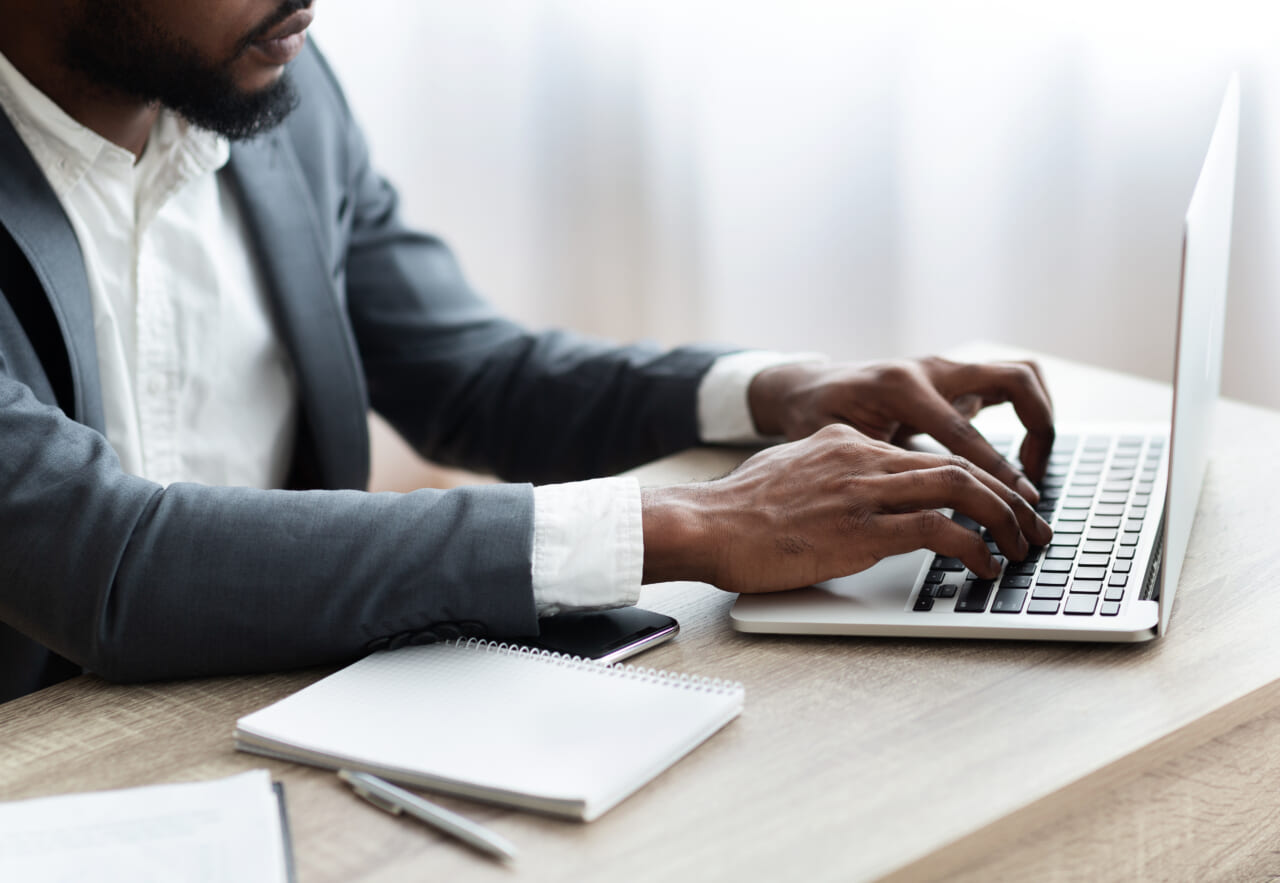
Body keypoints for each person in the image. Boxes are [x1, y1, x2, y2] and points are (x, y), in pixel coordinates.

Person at [0, 0, 1054, 704]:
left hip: (284, 708)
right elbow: (111, 560)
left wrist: (769, 390)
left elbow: (467, 371)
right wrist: (692, 524)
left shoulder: (272, 81)